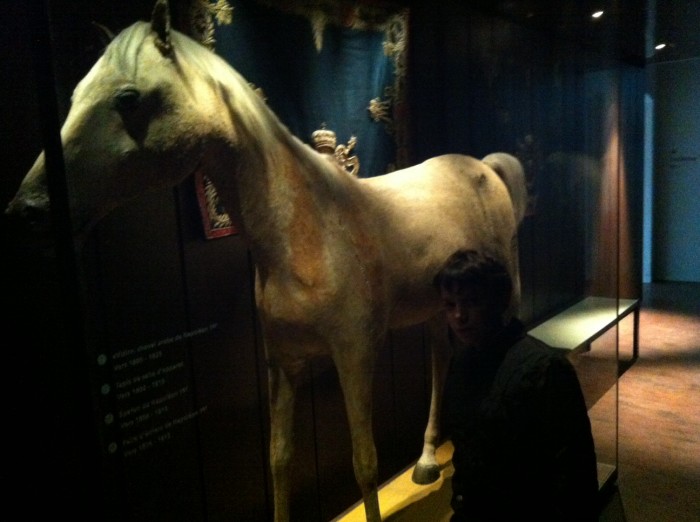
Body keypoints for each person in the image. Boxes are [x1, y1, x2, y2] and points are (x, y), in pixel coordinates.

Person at [435, 249, 599, 521]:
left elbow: (574, 475)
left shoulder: (545, 369)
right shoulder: (462, 363)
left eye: (471, 302)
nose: (459, 316)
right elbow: (468, 456)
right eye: (450, 305)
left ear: (499, 301)